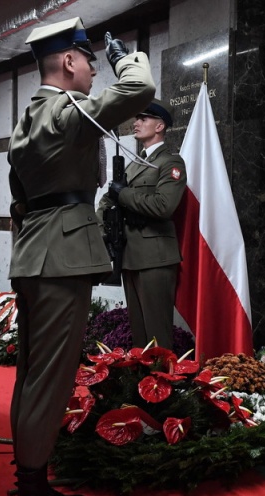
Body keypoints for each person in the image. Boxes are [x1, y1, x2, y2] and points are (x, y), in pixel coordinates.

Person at [6, 17, 154, 496]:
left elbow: (18, 200)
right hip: (60, 258)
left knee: (34, 374)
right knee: (48, 379)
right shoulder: (64, 111)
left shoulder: (29, 118)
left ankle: (35, 485)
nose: (94, 69)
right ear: (68, 61)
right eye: (88, 59)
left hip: (38, 255)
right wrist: (124, 57)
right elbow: (140, 88)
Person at [98, 99, 186, 349]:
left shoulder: (171, 163)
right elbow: (107, 199)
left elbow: (163, 205)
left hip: (155, 258)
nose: (135, 123)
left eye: (142, 119)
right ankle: (141, 384)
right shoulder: (136, 162)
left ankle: (162, 385)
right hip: (130, 255)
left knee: (158, 335)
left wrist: (123, 195)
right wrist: (99, 229)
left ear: (159, 126)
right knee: (139, 333)